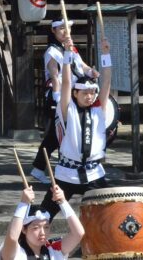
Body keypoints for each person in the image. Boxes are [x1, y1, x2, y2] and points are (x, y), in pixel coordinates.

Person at [38, 35, 111, 220]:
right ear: (75, 93)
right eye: (85, 93)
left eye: (92, 93)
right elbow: (66, 83)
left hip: (94, 173)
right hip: (67, 174)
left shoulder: (98, 109)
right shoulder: (66, 110)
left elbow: (107, 83)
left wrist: (106, 54)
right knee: (44, 215)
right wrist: (68, 55)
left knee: (111, 214)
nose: (89, 96)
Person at [31, 18, 99, 184]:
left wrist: (91, 72)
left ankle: (39, 169)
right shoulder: (52, 51)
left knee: (56, 137)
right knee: (59, 136)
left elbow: (81, 66)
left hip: (72, 97)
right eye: (61, 28)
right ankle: (59, 171)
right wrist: (56, 98)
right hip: (59, 97)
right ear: (53, 31)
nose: (65, 31)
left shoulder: (72, 49)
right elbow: (55, 76)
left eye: (67, 28)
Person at [0, 185, 84, 260]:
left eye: (46, 227)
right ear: (23, 229)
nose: (42, 233)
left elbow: (78, 233)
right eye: (36, 228)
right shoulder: (16, 253)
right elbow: (12, 237)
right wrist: (23, 203)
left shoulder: (54, 250)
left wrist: (63, 202)